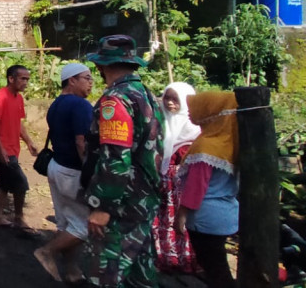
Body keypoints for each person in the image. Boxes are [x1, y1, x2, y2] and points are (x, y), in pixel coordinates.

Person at [83, 35, 164, 288]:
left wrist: (103, 207)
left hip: (122, 202)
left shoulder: (115, 100)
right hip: (144, 196)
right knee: (140, 270)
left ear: (102, 66)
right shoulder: (146, 95)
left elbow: (116, 157)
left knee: (107, 271)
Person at [34, 62, 94, 283]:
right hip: (73, 171)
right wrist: (89, 173)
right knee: (87, 225)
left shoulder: (56, 104)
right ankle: (47, 251)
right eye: (87, 78)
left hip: (56, 166)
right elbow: (81, 142)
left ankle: (71, 270)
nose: (91, 82)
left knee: (66, 223)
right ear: (72, 80)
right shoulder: (81, 106)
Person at [177, 91, 238, 288]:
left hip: (205, 216)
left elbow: (196, 187)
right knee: (218, 265)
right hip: (227, 212)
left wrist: (182, 214)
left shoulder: (207, 146)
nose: (190, 112)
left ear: (211, 112)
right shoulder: (231, 142)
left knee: (215, 269)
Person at [155, 82, 201, 274]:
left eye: (176, 100)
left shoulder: (194, 130)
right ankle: (165, 257)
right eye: (167, 98)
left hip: (184, 188)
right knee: (163, 222)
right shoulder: (159, 123)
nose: (171, 104)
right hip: (163, 184)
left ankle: (186, 259)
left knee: (183, 224)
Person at [0, 64, 39, 231]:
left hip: (13, 148)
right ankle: (19, 217)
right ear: (11, 79)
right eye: (23, 79)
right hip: (4, 150)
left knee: (4, 183)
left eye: (27, 79)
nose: (26, 82)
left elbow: (18, 124)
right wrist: (0, 148)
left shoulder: (18, 98)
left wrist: (29, 142)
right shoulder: (1, 96)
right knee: (21, 184)